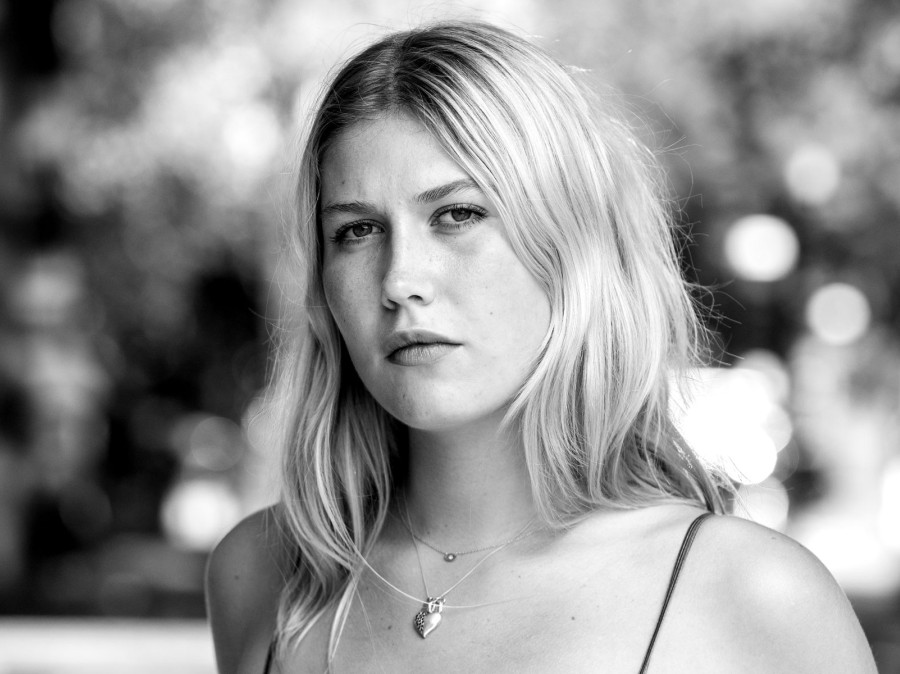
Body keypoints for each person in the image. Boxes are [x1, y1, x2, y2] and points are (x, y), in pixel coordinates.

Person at [206, 21, 877, 674]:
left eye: (458, 214)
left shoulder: (749, 593)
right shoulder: (261, 574)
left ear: (570, 246)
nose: (401, 279)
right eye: (356, 230)